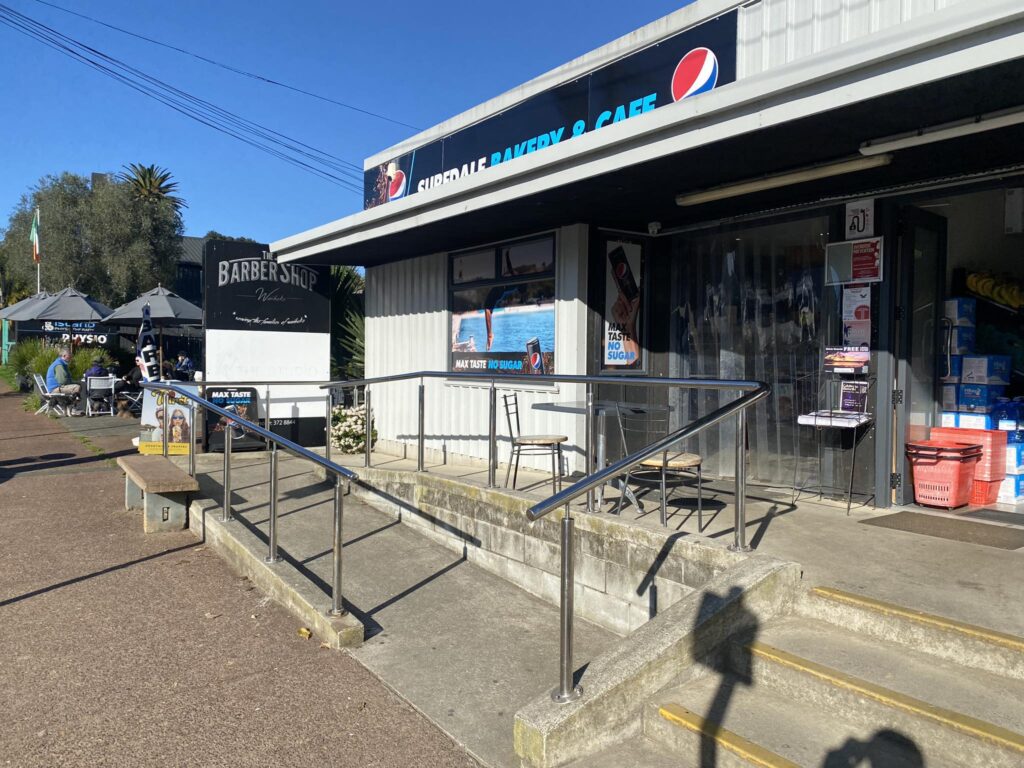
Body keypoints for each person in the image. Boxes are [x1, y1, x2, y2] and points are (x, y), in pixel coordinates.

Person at [44, 347, 82, 414]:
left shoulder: (61, 363)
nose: (71, 358)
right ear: (64, 356)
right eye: (69, 356)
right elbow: (62, 381)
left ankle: (73, 406)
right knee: (77, 387)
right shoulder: (59, 365)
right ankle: (73, 408)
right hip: (55, 389)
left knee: (80, 384)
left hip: (56, 387)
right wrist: (72, 383)